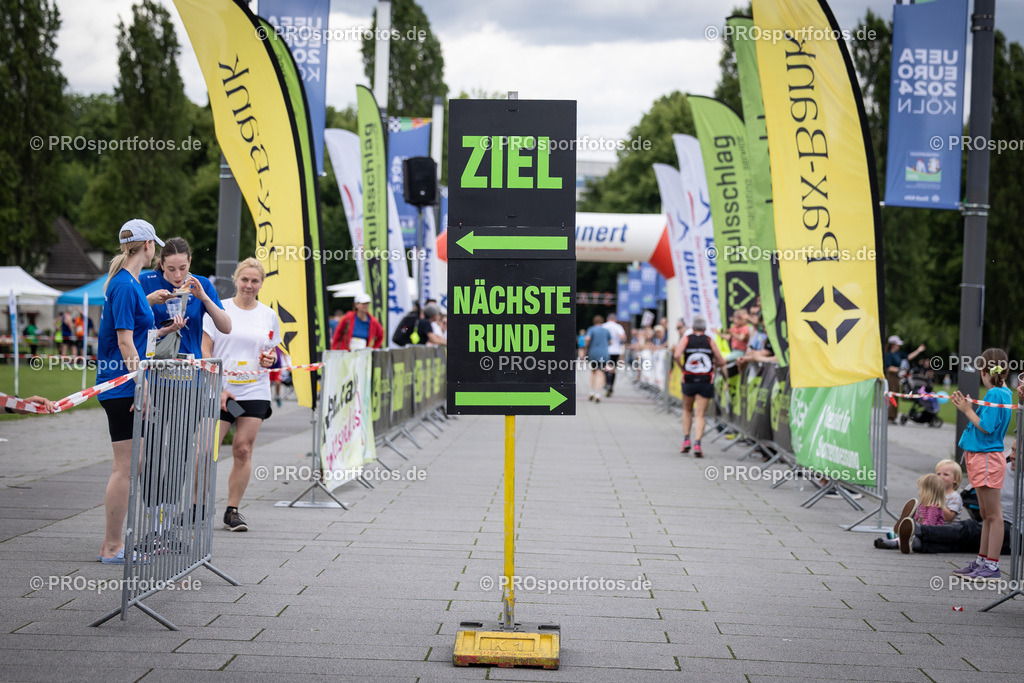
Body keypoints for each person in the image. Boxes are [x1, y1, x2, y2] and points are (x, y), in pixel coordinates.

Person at [97, 219, 185, 564]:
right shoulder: (124, 284)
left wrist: (161, 324)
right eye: (155, 248)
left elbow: (135, 337)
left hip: (123, 382)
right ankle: (112, 546)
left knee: (133, 464)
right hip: (121, 385)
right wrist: (141, 385)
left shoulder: (128, 284)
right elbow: (122, 342)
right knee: (126, 467)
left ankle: (115, 543)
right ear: (148, 246)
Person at [202, 258, 281, 532]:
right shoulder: (219, 309)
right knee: (205, 450)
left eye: (255, 281)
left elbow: (271, 350)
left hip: (254, 387)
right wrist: (218, 387)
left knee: (243, 449)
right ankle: (198, 507)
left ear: (261, 284)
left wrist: (270, 359)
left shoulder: (268, 314)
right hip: (220, 387)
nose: (249, 285)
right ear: (236, 280)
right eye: (244, 279)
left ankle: (232, 511)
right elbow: (205, 351)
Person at [949, 348, 1012, 581]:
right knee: (985, 514)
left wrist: (966, 409)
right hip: (982, 458)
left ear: (985, 371)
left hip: (987, 459)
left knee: (993, 515)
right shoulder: (999, 393)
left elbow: (987, 426)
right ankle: (982, 561)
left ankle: (991, 566)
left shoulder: (996, 394)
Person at [140, 237, 232, 357]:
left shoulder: (201, 284)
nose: (178, 275)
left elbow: (226, 327)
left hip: (190, 368)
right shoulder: (146, 281)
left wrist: (204, 298)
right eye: (171, 269)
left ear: (190, 261)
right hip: (155, 366)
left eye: (182, 268)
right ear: (162, 265)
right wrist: (150, 300)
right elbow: (130, 322)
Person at [673, 315, 726, 457]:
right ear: (705, 328)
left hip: (689, 377)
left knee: (687, 410)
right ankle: (697, 443)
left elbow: (677, 354)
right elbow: (721, 360)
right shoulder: (709, 340)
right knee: (700, 414)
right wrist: (716, 364)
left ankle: (686, 440)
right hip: (705, 379)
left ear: (693, 327)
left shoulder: (687, 338)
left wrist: (683, 367)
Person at [883, 335, 926, 423]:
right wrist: (899, 370)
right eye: (897, 344)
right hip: (891, 377)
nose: (898, 346)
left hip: (897, 377)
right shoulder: (889, 355)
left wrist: (918, 350)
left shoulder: (899, 354)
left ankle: (893, 416)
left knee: (896, 396)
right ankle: (889, 416)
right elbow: (889, 367)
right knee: (892, 395)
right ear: (893, 345)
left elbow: (909, 357)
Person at [585, 315, 611, 402]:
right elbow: (611, 342)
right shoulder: (606, 331)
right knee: (601, 373)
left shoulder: (591, 329)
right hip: (604, 353)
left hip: (593, 352)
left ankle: (591, 390)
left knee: (593, 372)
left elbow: (587, 339)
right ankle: (598, 392)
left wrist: (587, 346)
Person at [602, 313, 627, 398]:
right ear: (615, 319)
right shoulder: (618, 326)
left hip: (606, 350)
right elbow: (622, 337)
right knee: (613, 369)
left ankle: (607, 383)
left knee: (606, 368)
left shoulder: (604, 326)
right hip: (615, 350)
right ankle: (611, 385)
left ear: (607, 319)